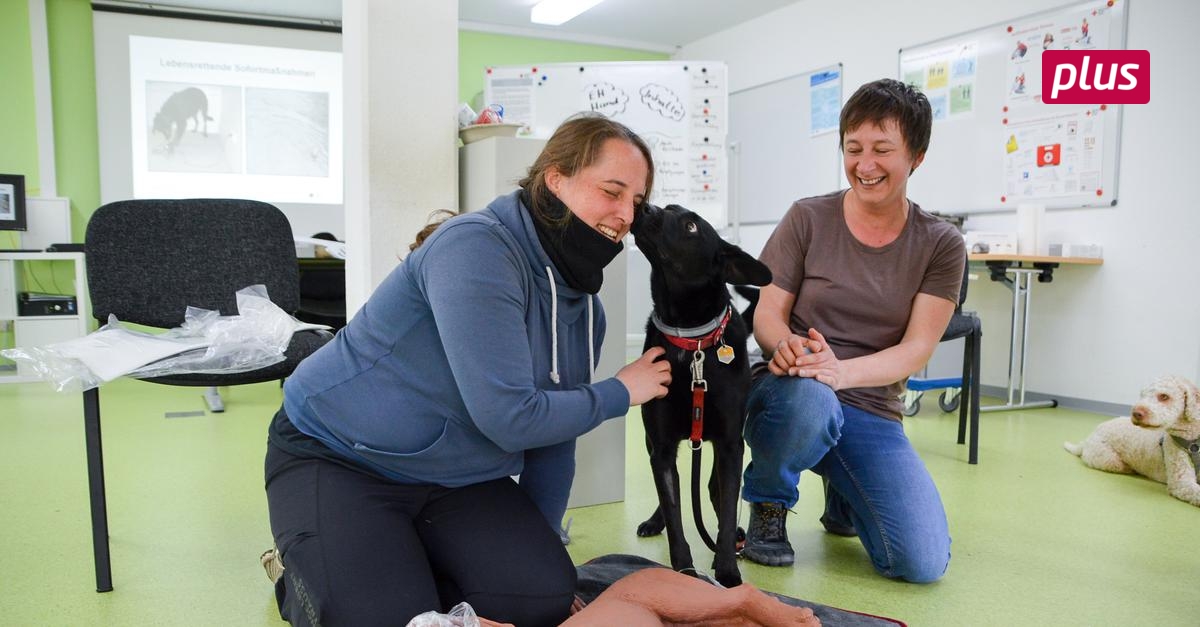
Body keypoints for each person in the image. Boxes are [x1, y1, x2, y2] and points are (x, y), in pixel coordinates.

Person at [262, 113, 673, 627]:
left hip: (458, 479)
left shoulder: (585, 309)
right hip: (343, 456)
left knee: (542, 598)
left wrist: (539, 552)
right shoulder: (475, 247)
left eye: (637, 201)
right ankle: (301, 565)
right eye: (612, 191)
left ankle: (390, 557)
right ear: (555, 179)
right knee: (376, 619)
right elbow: (510, 418)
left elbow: (553, 439)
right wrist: (619, 393)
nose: (626, 214)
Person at [738, 78, 965, 583]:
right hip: (790, 392)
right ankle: (770, 504)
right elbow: (767, 316)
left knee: (920, 563)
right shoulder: (807, 217)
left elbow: (915, 349)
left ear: (917, 157)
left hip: (870, 407)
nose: (865, 165)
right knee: (811, 401)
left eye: (883, 150)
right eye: (853, 148)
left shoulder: (941, 243)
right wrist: (790, 347)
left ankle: (843, 491)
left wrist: (839, 371)